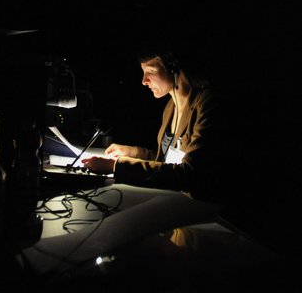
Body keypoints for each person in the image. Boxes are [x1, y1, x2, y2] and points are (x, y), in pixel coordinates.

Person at [81, 46, 229, 203]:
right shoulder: (170, 107)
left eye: (150, 71)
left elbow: (189, 174)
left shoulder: (206, 104)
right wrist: (132, 152)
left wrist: (116, 166)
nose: (144, 81)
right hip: (171, 201)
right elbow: (165, 162)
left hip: (199, 211)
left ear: (173, 67)